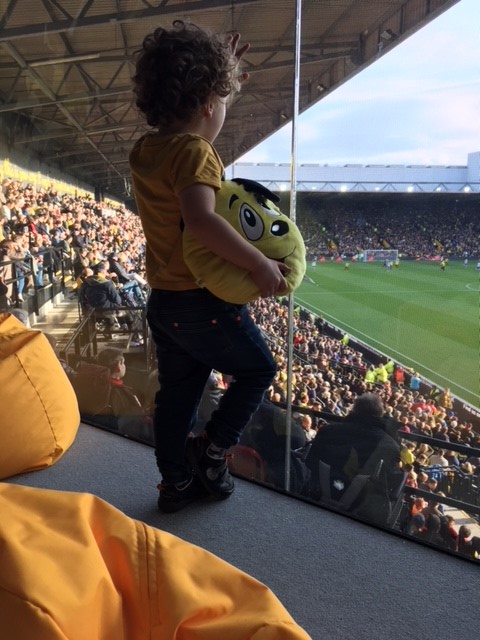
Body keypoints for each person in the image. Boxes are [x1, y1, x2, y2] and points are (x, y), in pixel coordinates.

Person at [129, 21, 289, 513]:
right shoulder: (196, 153)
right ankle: (211, 451)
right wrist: (259, 263)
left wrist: (224, 83)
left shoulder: (146, 151)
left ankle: (175, 484)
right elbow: (200, 222)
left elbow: (203, 117)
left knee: (176, 398)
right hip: (201, 303)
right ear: (205, 104)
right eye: (222, 98)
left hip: (164, 302)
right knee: (259, 369)